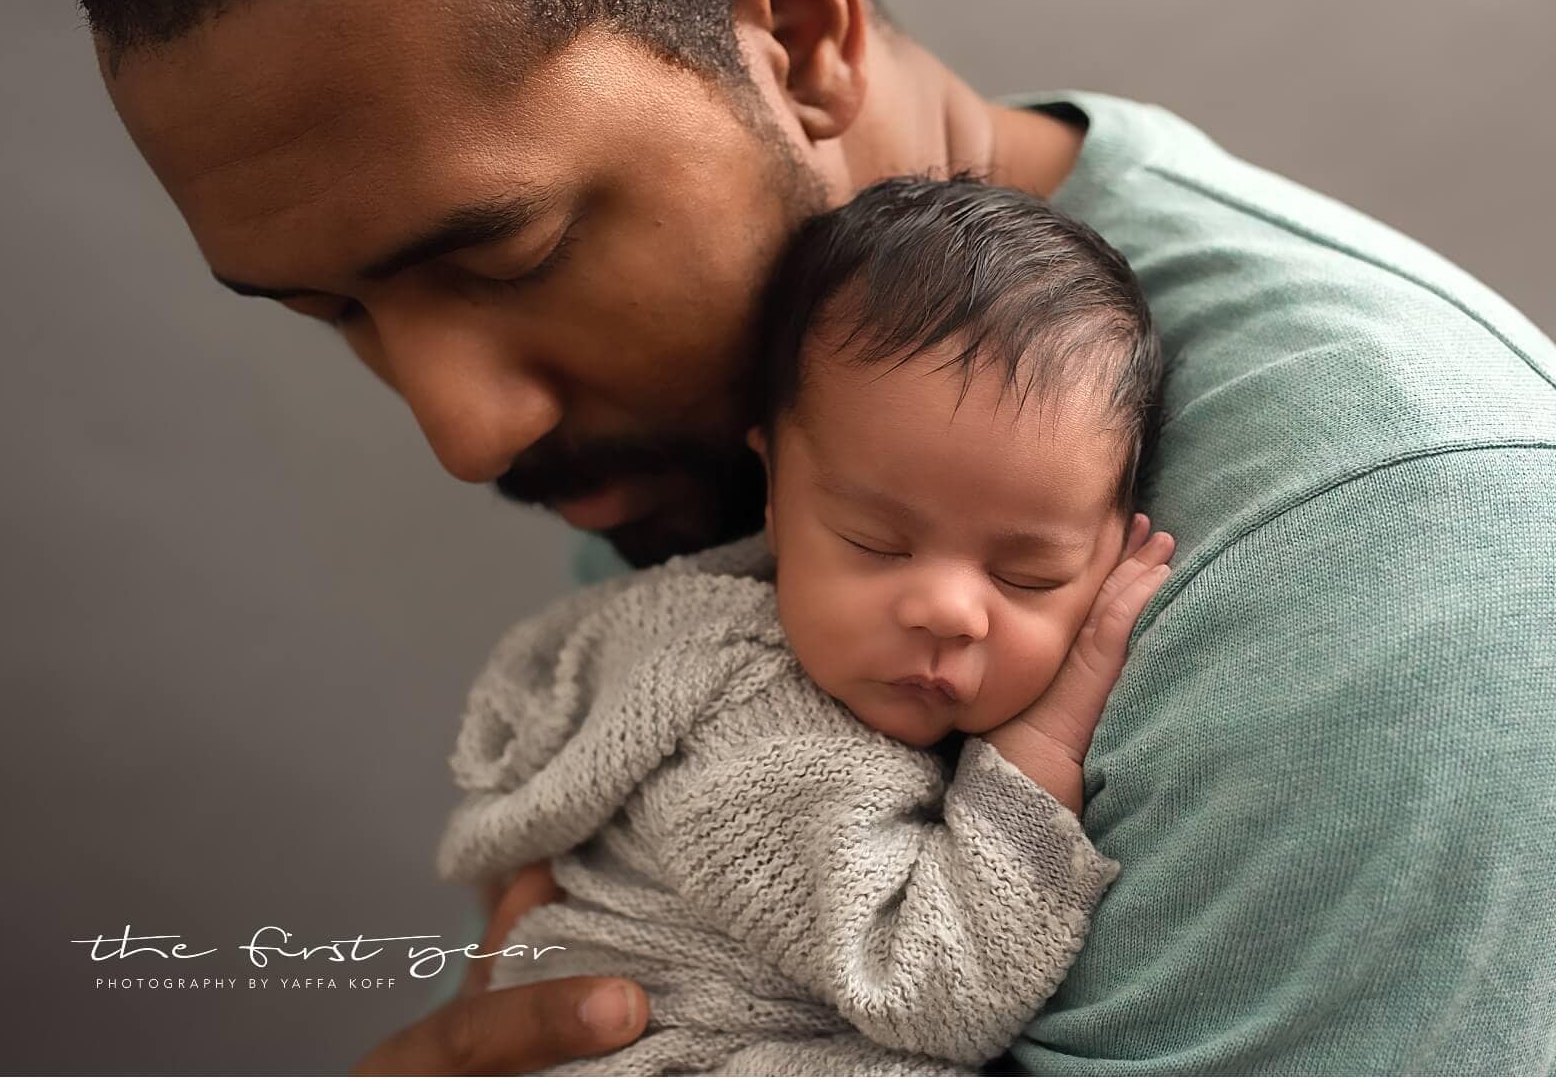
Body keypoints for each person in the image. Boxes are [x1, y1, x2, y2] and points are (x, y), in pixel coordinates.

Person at [75, 0, 1556, 1075]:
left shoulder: (1398, 538)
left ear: (802, 26)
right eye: (334, 311)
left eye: (514, 252)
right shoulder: (738, 458)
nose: (463, 432)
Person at [435, 177, 1174, 1074]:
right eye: (874, 542)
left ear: (1109, 554)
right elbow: (937, 989)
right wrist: (1047, 743)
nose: (947, 610)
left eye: (1030, 573)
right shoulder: (746, 734)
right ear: (776, 499)